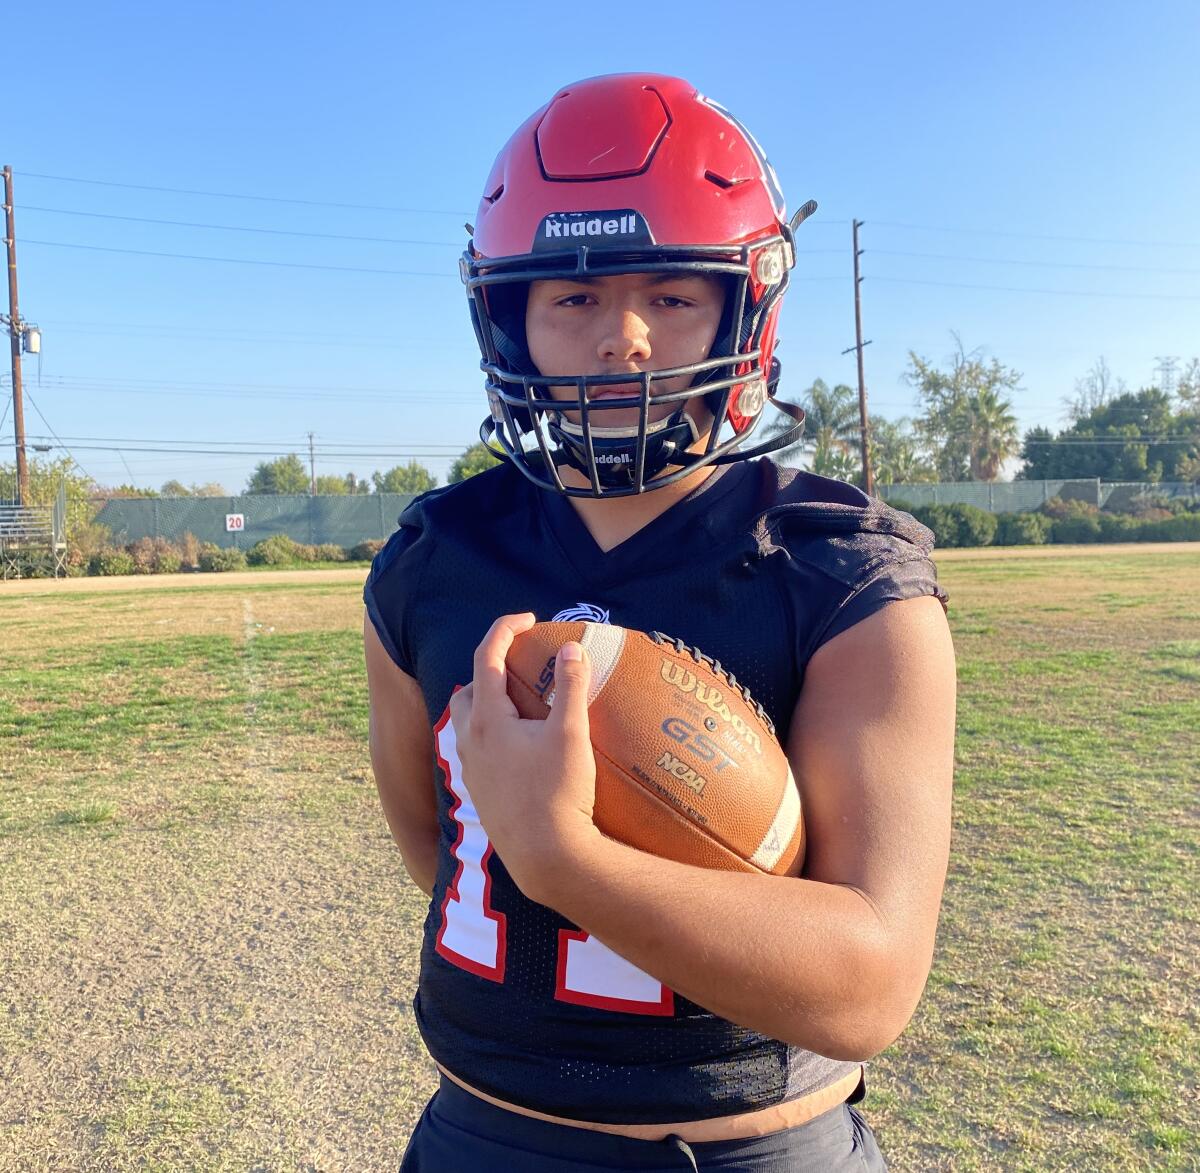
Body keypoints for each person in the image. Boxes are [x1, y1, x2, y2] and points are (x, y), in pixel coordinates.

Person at [363, 73, 956, 1172]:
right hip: (486, 1135)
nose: (623, 337)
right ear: (509, 315)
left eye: (673, 294)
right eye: (573, 298)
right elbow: (434, 848)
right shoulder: (433, 557)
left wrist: (567, 860)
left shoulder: (839, 570)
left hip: (757, 1147)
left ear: (745, 306)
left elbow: (869, 984)